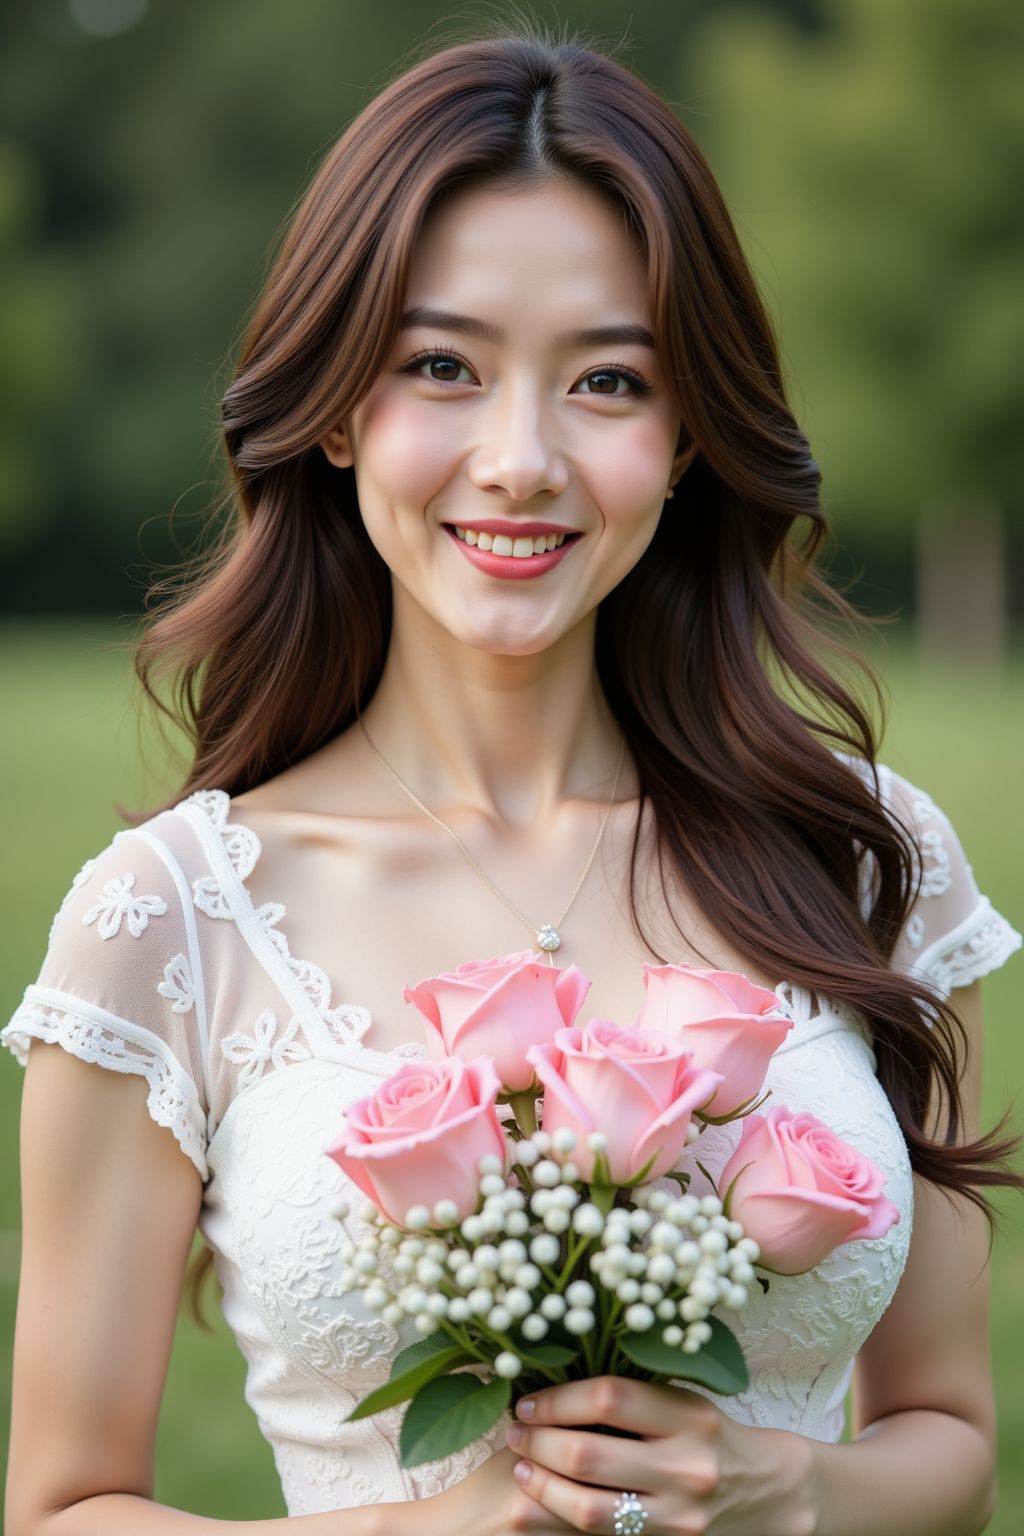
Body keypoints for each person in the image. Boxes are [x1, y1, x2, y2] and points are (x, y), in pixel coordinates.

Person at [3, 22, 1021, 1536]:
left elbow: (948, 1434)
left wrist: (790, 1490)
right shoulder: (171, 921)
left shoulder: (866, 861)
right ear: (341, 411)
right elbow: (62, 1508)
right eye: (441, 367)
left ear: (685, 439)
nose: (522, 459)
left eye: (608, 381)